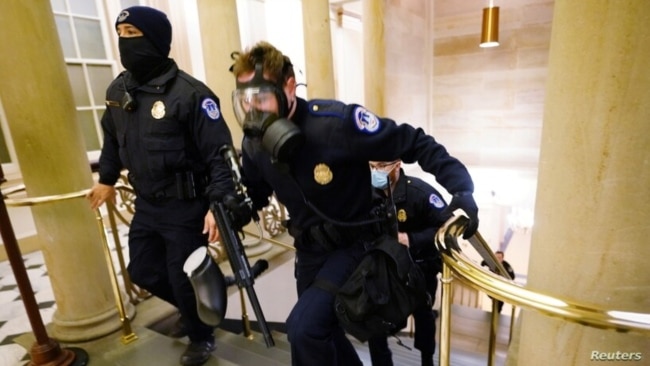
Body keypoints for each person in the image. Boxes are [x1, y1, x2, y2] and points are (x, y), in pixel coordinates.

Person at [228, 41, 479, 366]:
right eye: (246, 101)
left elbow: (414, 141)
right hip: (308, 252)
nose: (253, 111)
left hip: (355, 247)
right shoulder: (255, 144)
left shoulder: (337, 125)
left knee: (303, 330)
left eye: (261, 98)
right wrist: (236, 207)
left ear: (288, 87)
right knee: (325, 332)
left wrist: (462, 192)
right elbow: (256, 192)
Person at [85, 6, 235, 366]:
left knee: (180, 276)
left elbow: (220, 156)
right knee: (142, 271)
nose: (124, 42)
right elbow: (111, 139)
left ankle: (202, 335)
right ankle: (196, 304)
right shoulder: (117, 91)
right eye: (120, 34)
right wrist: (106, 180)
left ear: (155, 40)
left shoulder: (191, 95)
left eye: (133, 34)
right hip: (147, 204)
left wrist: (218, 205)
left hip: (186, 206)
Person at [367, 160, 450, 366]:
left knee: (424, 317)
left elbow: (447, 227)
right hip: (384, 269)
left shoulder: (419, 192)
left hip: (419, 268)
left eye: (382, 166)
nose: (376, 171)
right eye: (372, 166)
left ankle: (426, 360)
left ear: (397, 165)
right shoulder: (368, 193)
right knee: (373, 319)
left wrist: (410, 238)